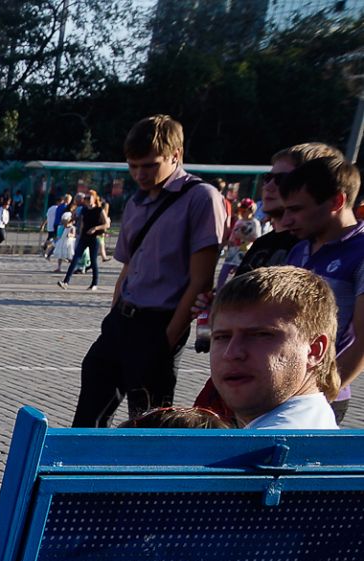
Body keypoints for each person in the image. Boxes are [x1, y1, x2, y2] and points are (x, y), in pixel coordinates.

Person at [70, 116, 227, 429]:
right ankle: (79, 476)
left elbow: (200, 280)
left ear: (175, 155)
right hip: (121, 322)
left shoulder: (201, 199)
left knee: (145, 425)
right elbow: (128, 265)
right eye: (133, 166)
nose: (140, 174)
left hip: (160, 323)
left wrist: (167, 340)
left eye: (150, 165)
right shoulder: (136, 202)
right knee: (88, 417)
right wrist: (114, 312)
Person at [275, 155, 364, 421]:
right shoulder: (300, 248)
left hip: (319, 396)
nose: (287, 220)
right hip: (278, 385)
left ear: (336, 202)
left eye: (296, 210)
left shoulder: (360, 252)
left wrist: (320, 393)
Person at [207, 265, 339, 429]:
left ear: (314, 350)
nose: (232, 353)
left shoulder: (262, 448)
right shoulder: (317, 420)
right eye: (222, 337)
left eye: (260, 335)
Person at [59, 191, 108, 290]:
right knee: (75, 258)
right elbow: (76, 220)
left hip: (94, 238)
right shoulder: (84, 210)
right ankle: (65, 282)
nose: (87, 200)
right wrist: (69, 222)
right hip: (83, 237)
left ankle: (94, 284)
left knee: (93, 262)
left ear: (94, 199)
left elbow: (106, 224)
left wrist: (95, 228)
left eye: (89, 198)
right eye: (85, 198)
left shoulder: (99, 210)